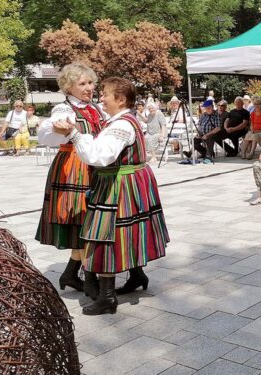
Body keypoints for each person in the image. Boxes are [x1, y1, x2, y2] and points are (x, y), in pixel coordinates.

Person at [52, 77, 169, 315]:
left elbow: (99, 156)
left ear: (121, 99)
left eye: (105, 94)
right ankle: (136, 275)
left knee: (103, 236)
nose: (101, 97)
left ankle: (107, 298)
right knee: (125, 231)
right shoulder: (120, 120)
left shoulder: (122, 125)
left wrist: (75, 135)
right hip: (130, 181)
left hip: (119, 183)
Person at [36, 63, 106, 299]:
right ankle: (90, 279)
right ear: (68, 87)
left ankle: (70, 274)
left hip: (94, 166)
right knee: (82, 220)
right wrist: (57, 128)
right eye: (82, 84)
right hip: (74, 168)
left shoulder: (95, 107)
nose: (89, 88)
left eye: (90, 82)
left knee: (90, 220)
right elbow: (47, 133)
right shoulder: (63, 109)